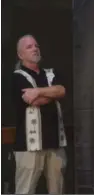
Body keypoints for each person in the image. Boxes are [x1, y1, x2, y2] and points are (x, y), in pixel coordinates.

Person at [12, 34, 67, 194]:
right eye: (29, 47)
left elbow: (62, 90)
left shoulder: (50, 73)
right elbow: (34, 101)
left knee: (58, 189)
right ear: (20, 55)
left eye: (36, 45)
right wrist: (52, 93)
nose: (35, 49)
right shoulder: (17, 76)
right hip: (29, 146)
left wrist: (37, 91)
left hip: (55, 143)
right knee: (25, 190)